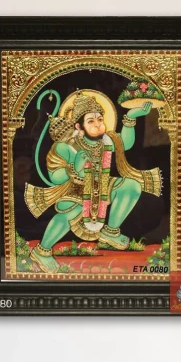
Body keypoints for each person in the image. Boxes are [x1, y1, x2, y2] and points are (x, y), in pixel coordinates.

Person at [24, 90, 161, 273]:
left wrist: (130, 118)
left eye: (100, 119)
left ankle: (110, 232)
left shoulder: (105, 140)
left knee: (131, 186)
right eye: (91, 121)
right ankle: (42, 250)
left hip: (101, 184)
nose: (98, 124)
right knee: (70, 213)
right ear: (79, 126)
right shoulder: (65, 146)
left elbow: (125, 143)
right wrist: (74, 167)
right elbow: (54, 176)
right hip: (75, 188)